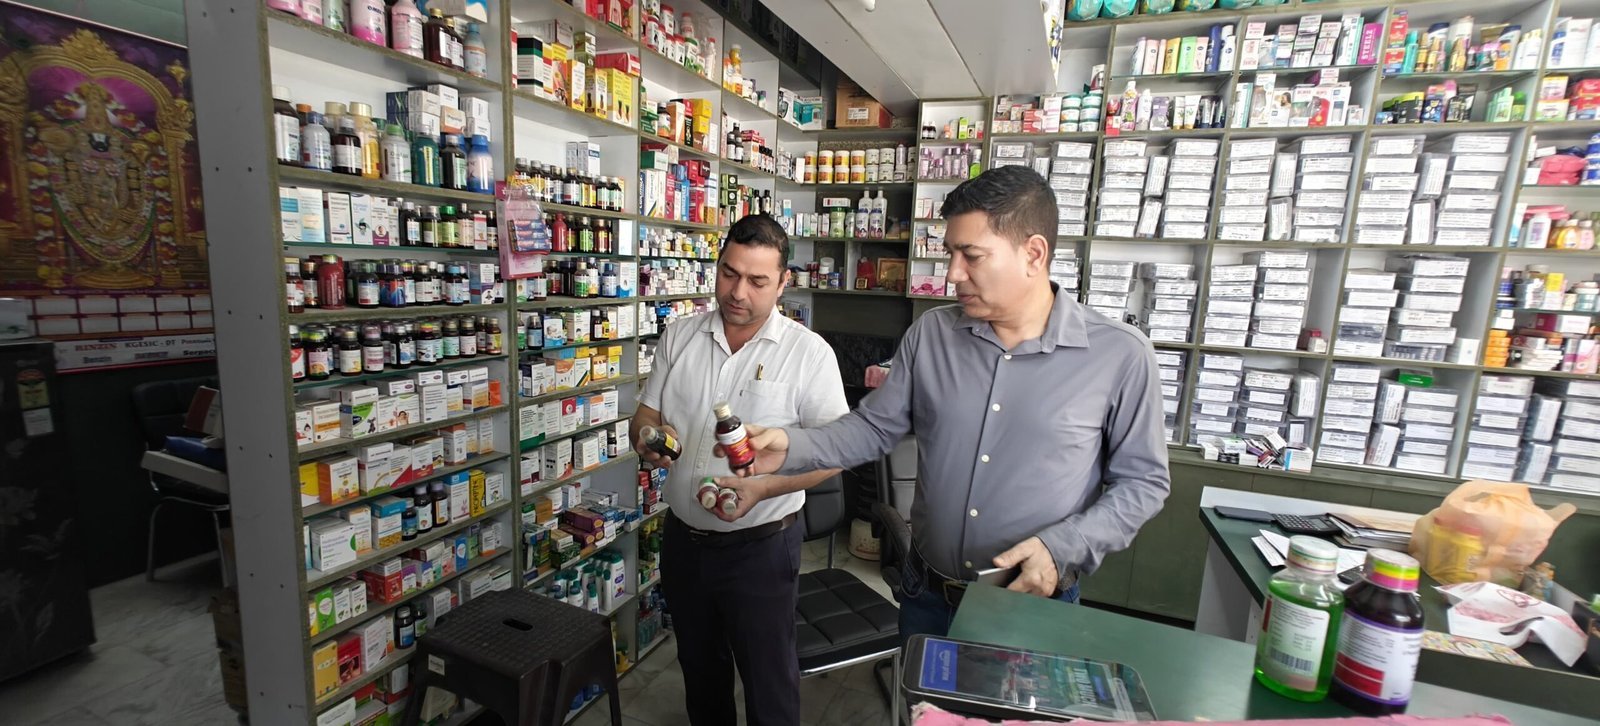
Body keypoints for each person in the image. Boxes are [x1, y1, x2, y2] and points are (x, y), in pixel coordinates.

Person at [714, 166, 1172, 639]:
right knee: (921, 693)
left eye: (971, 256)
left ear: (1034, 254)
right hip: (927, 594)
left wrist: (1066, 546)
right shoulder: (932, 333)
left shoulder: (1119, 354)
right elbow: (874, 429)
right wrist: (790, 445)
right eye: (951, 253)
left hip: (1032, 606)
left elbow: (1143, 483)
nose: (953, 273)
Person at [631, 214, 846, 726]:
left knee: (769, 685)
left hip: (761, 551)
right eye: (729, 273)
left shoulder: (809, 354)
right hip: (684, 541)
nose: (737, 292)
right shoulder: (679, 336)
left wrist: (764, 488)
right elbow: (646, 414)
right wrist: (648, 438)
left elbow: (834, 453)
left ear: (783, 282)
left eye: (757, 281)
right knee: (701, 675)